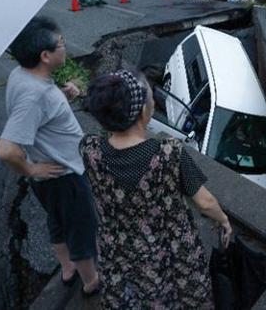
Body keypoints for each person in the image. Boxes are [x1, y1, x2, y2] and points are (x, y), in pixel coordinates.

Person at [82, 69, 232, 309]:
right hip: (171, 249)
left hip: (119, 247)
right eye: (151, 96)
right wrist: (223, 220)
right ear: (143, 111)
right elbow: (205, 203)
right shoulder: (169, 153)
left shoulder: (90, 150)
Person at [0, 16, 100, 295]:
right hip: (63, 174)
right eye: (61, 44)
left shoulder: (23, 74)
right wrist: (31, 170)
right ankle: (90, 282)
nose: (65, 47)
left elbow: (39, 110)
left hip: (50, 176)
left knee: (57, 221)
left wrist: (63, 95)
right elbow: (6, 150)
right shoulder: (35, 94)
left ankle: (67, 270)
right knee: (80, 226)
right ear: (45, 55)